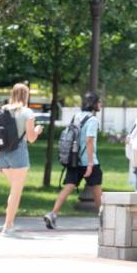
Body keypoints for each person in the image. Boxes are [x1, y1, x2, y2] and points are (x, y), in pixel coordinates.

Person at [44, 92, 101, 229]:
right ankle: (104, 219)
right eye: (99, 102)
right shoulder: (92, 120)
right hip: (88, 161)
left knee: (68, 186)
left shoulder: (76, 116)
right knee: (97, 190)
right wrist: (90, 163)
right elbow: (89, 141)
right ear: (93, 104)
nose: (100, 105)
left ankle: (53, 214)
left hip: (73, 159)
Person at [0, 83, 43, 236]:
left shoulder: (2, 110)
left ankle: (9, 225)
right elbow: (30, 138)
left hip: (3, 155)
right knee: (16, 192)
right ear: (26, 95)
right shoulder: (27, 112)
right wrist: (37, 130)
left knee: (13, 190)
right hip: (19, 155)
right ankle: (7, 227)